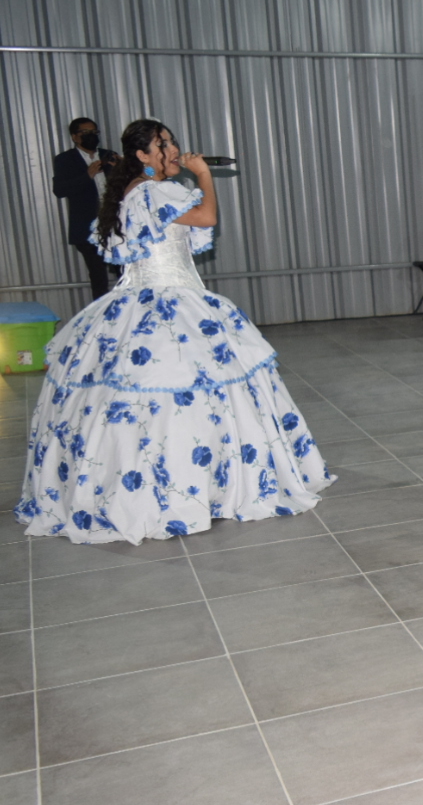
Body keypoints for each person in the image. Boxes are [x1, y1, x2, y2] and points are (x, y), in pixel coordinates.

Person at [14, 118, 332, 543]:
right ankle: (186, 490)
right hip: (166, 301)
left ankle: (187, 486)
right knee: (179, 391)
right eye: (162, 144)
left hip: (151, 299)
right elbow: (206, 216)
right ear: (142, 156)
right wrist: (202, 175)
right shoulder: (153, 190)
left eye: (171, 140)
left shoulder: (133, 191)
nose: (173, 148)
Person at [52, 117, 120, 299]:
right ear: (75, 137)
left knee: (124, 272)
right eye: (85, 133)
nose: (91, 136)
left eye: (94, 132)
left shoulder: (109, 155)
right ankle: (101, 320)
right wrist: (87, 175)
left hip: (115, 224)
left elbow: (125, 186)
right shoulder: (65, 160)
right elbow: (59, 190)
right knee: (99, 278)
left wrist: (120, 168)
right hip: (86, 228)